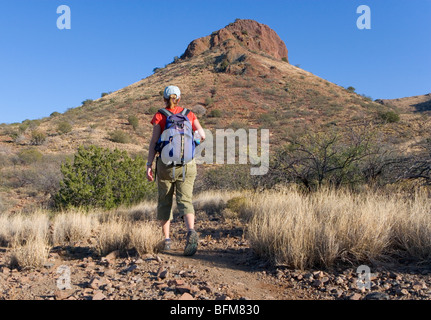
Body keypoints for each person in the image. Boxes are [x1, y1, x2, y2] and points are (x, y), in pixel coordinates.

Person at [146, 85, 206, 256]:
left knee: (165, 201)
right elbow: (202, 135)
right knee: (185, 200)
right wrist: (193, 143)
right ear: (179, 98)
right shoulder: (189, 114)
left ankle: (166, 240)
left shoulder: (160, 115)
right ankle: (191, 231)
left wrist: (149, 165)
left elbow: (153, 142)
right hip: (187, 165)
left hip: (165, 164)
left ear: (164, 99)